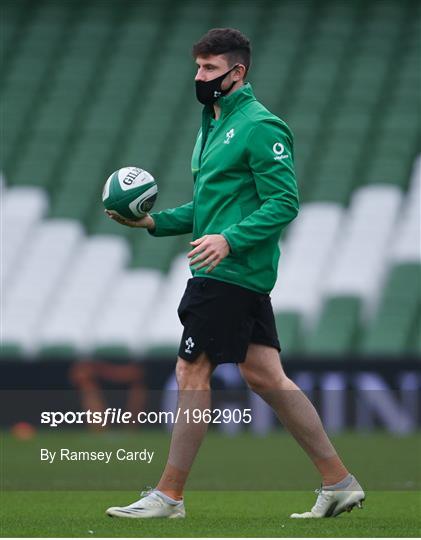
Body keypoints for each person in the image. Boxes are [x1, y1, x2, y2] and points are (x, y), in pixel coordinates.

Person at [105, 28, 365, 519]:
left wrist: (230, 239)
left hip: (228, 270)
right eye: (198, 67)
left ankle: (169, 496)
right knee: (265, 376)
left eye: (209, 69)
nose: (199, 77)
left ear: (237, 72)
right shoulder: (212, 122)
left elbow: (284, 202)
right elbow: (210, 208)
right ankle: (339, 482)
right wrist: (154, 222)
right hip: (232, 271)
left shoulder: (260, 126)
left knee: (191, 369)